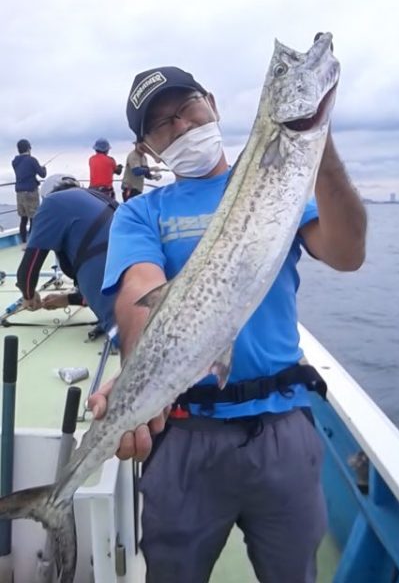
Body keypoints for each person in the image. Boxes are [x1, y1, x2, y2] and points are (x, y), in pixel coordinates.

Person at [91, 58, 367, 583]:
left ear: (212, 105)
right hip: (184, 434)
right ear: (148, 149)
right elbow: (138, 293)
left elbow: (348, 253)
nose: (183, 126)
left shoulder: (278, 184)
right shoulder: (139, 213)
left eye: (188, 108)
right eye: (162, 123)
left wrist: (319, 149)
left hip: (283, 428)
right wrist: (138, 375)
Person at [16, 174, 118, 336]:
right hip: (138, 282)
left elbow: (28, 270)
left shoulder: (52, 203)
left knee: (127, 338)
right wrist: (67, 299)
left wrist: (28, 295)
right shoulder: (100, 198)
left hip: (116, 307)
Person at [12, 139, 47, 244]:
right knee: (33, 218)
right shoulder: (32, 160)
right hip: (31, 192)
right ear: (28, 148)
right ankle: (32, 242)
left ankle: (23, 242)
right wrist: (44, 168)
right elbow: (42, 174)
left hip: (19, 193)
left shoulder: (14, 162)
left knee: (23, 219)